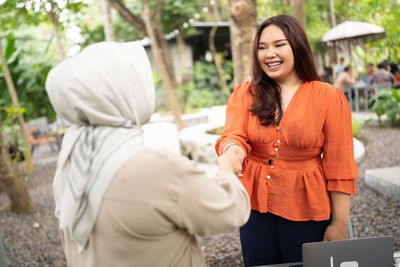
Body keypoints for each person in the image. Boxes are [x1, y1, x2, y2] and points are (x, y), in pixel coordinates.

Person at [45, 41, 250, 267]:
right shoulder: (157, 168)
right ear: (123, 93)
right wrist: (227, 170)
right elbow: (228, 213)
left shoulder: (73, 159)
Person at [215, 15, 357, 266]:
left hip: (308, 209)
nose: (269, 54)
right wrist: (229, 160)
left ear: (297, 45)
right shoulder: (245, 93)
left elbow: (340, 166)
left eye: (279, 45)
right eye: (262, 47)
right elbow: (234, 137)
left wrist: (339, 223)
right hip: (255, 210)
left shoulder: (329, 97)